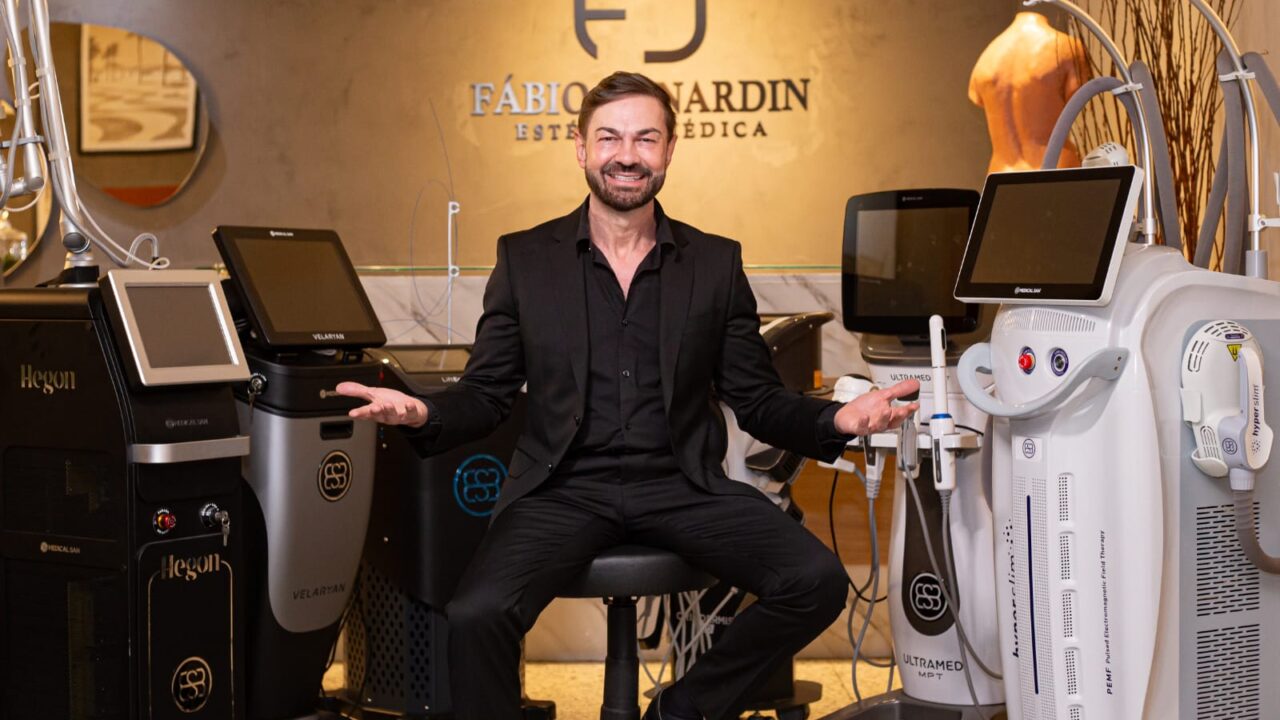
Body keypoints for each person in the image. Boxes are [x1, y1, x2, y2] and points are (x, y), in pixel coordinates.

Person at [337, 71, 919, 720]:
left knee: (816, 582)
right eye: (610, 137)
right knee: (476, 615)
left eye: (646, 138)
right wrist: (424, 410)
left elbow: (757, 399)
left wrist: (838, 418)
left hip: (682, 483)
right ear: (581, 148)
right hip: (562, 488)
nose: (627, 154)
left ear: (669, 149)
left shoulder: (714, 263)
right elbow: (488, 392)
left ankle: (681, 711)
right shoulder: (526, 259)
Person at [969, 11, 1088, 172]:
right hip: (1054, 169)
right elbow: (1078, 93)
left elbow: (977, 98)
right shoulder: (1065, 48)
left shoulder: (986, 58)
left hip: (1002, 175)